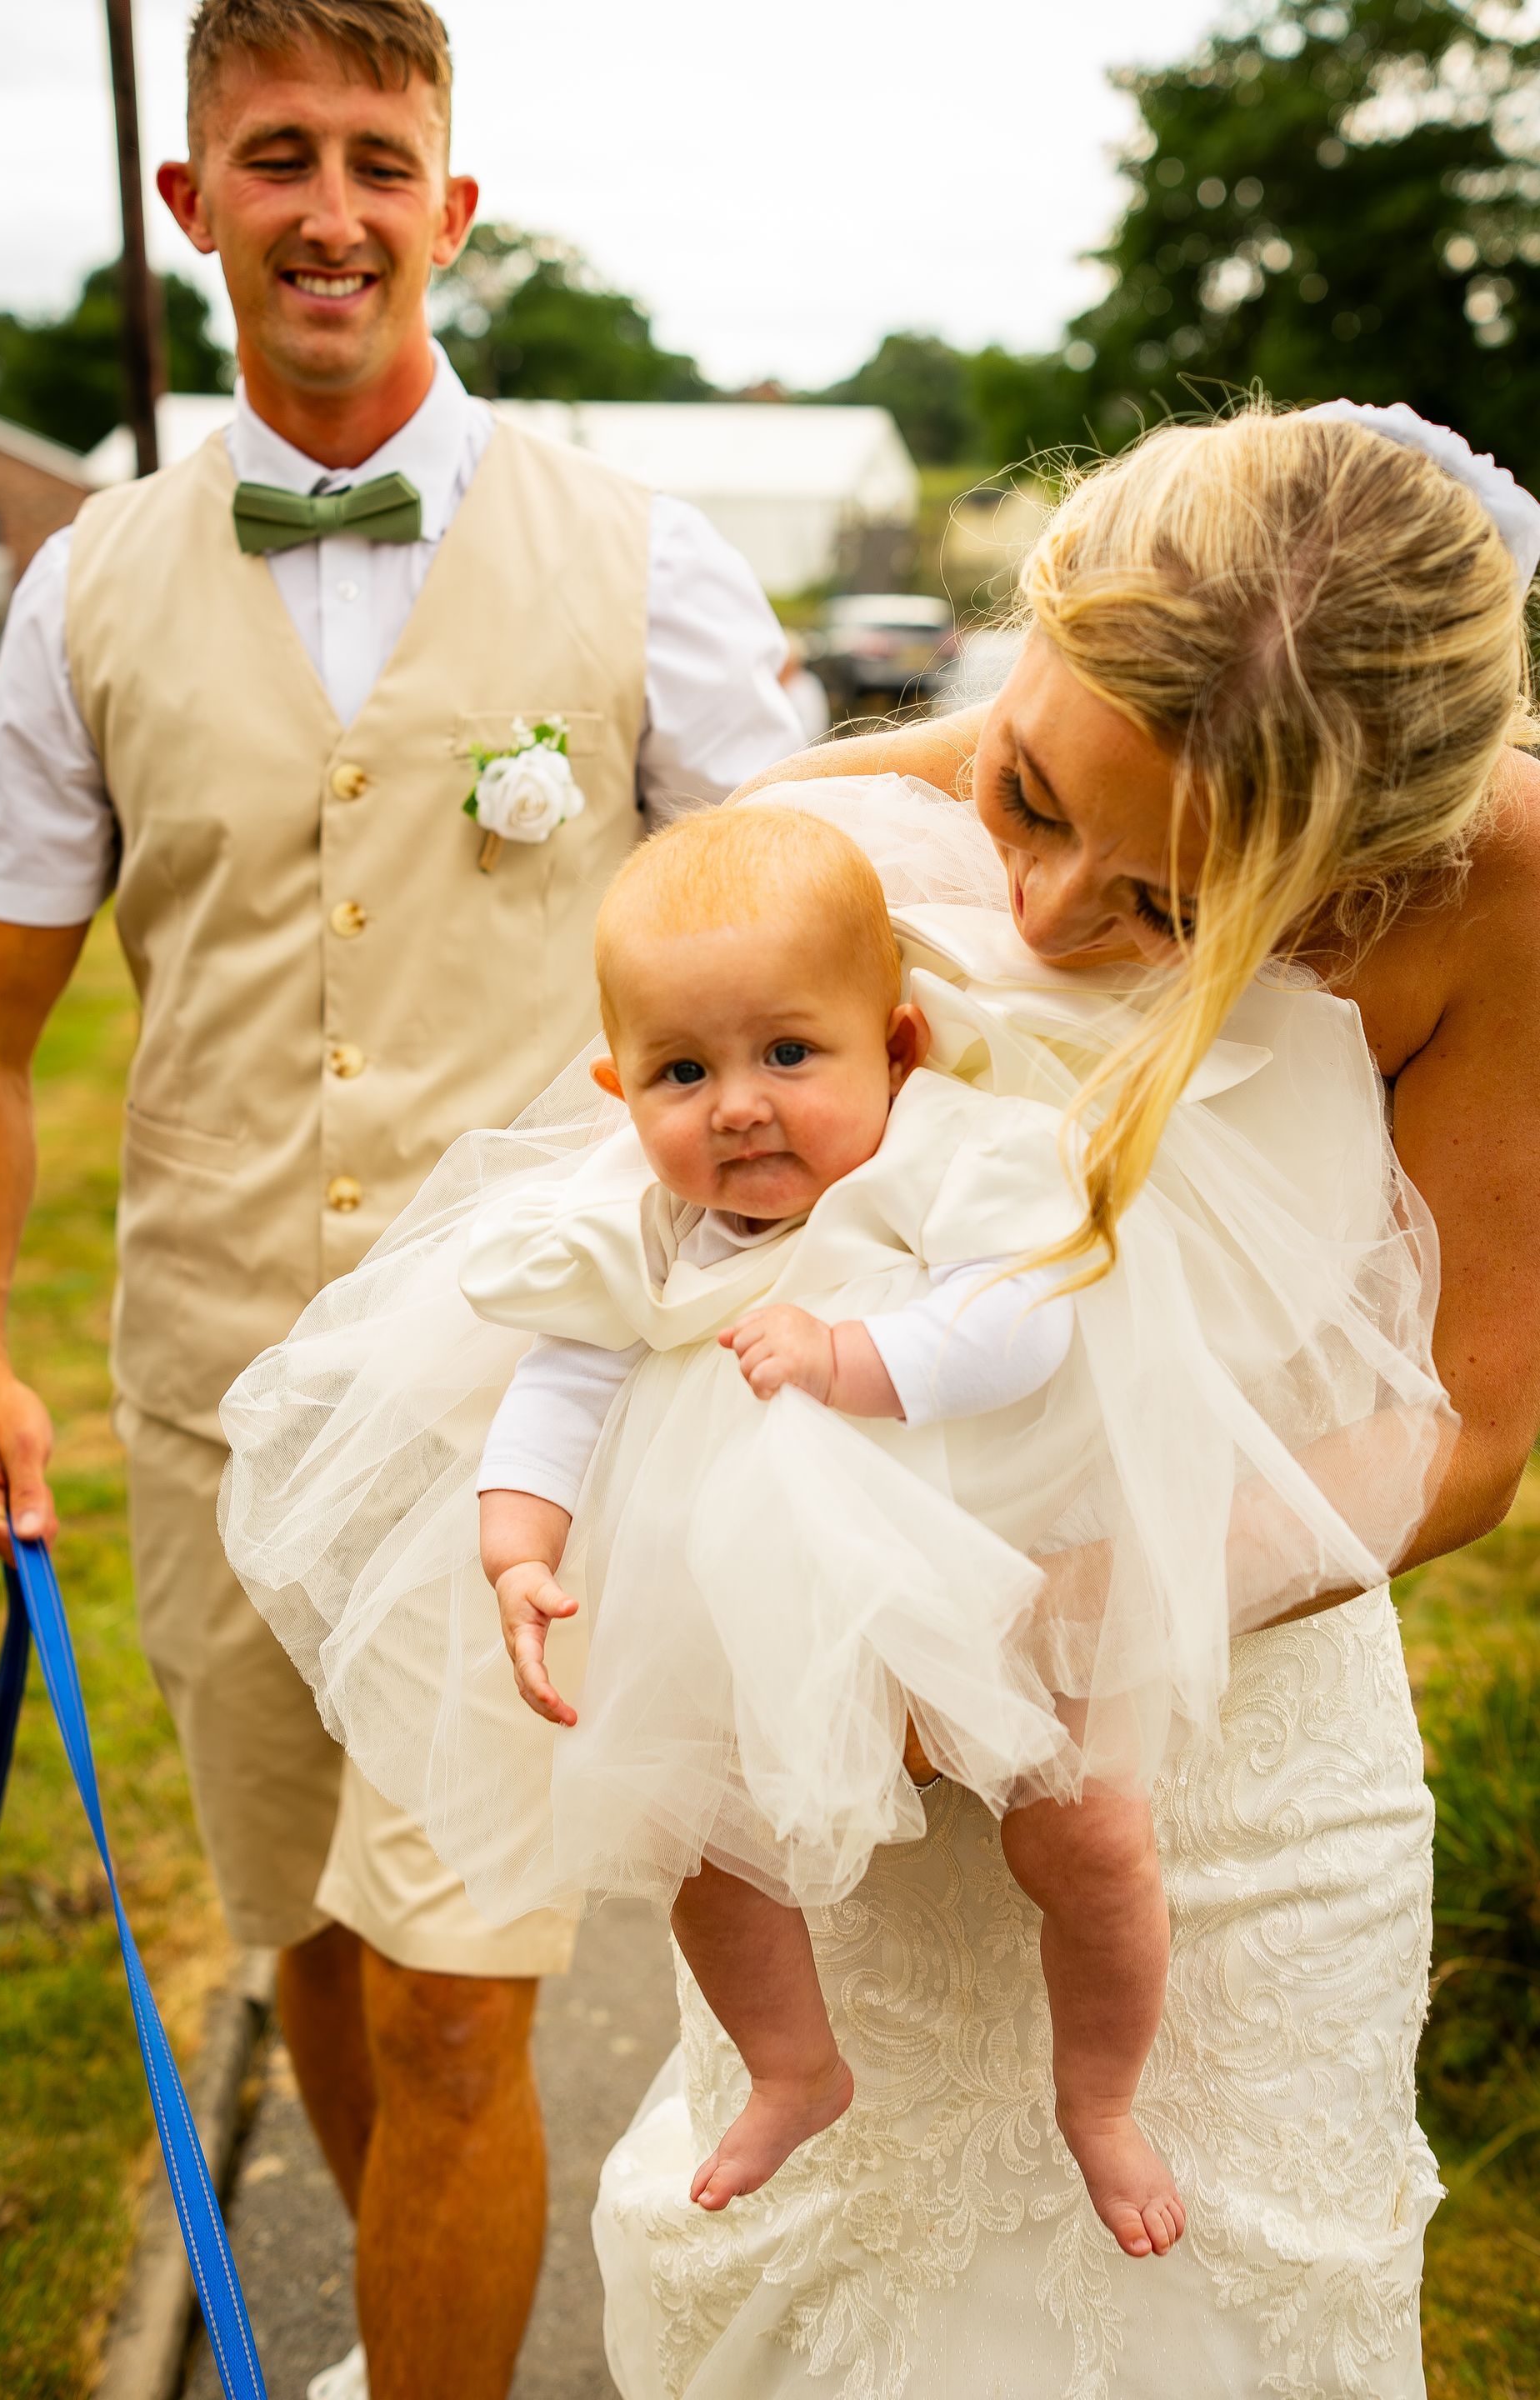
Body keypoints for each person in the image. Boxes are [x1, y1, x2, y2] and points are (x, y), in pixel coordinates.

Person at [0, 4, 798, 2397]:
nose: (332, 206)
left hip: (523, 1418)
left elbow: (814, 916)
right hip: (211, 1394)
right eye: (278, 157)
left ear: (452, 203)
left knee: (451, 2007)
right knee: (309, 1944)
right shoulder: (87, 590)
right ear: (190, 206)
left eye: (379, 158)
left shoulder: (644, 558)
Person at [577, 402, 1540, 2398]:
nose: (1037, 915)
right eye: (1027, 793)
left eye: (1171, 909)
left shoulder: (1505, 888)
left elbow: (1460, 1432)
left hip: (1220, 1769)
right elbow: (660, 1271)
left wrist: (1052, 1630)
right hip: (856, 1773)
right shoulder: (824, 830)